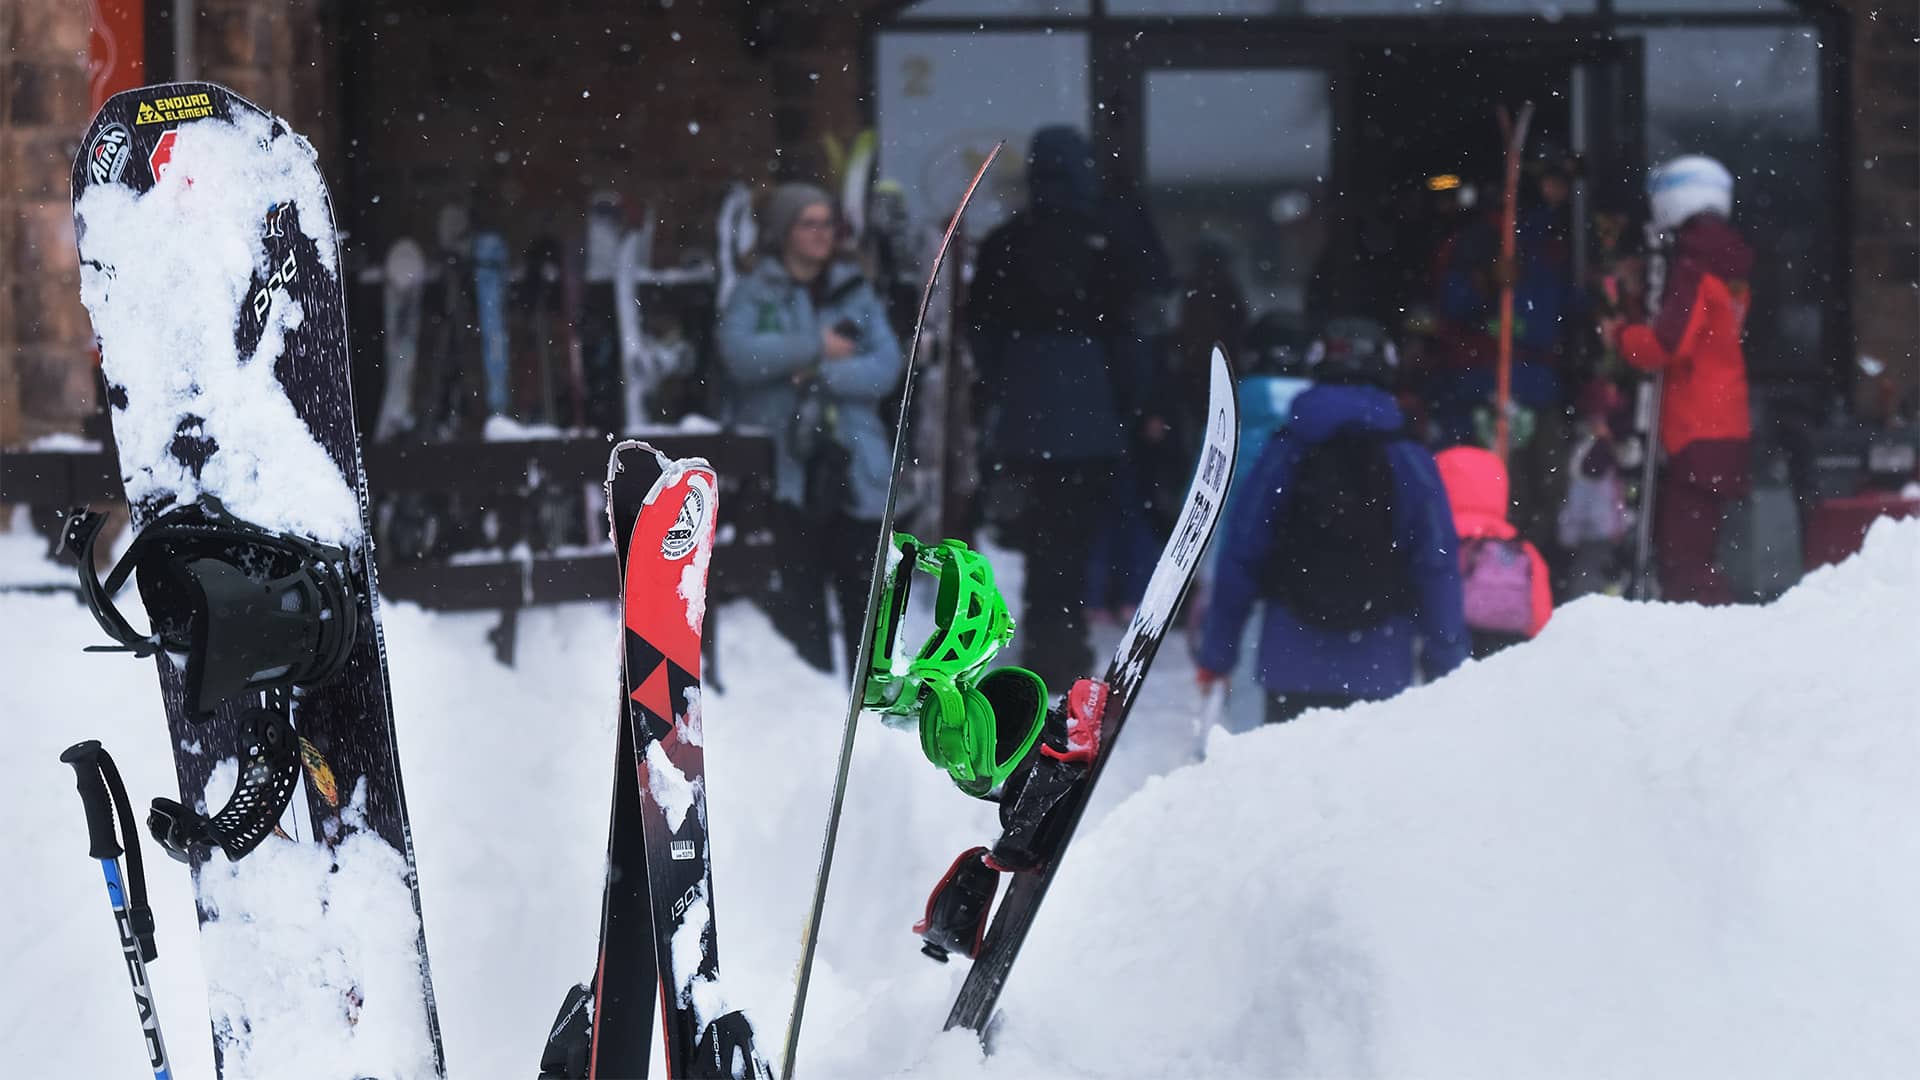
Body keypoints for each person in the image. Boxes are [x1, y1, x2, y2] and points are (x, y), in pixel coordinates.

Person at [1195, 318, 1469, 725]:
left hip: (1290, 662)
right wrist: (1447, 664)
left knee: (1292, 784)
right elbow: (1436, 565)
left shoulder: (1286, 450)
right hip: (1381, 669)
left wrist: (1217, 654)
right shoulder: (1409, 457)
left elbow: (1242, 552)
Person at [967, 125, 1155, 691]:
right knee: (1073, 540)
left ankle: (1041, 642)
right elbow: (1128, 336)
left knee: (1036, 537)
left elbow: (982, 333)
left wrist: (1004, 389)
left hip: (1025, 416)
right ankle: (1064, 644)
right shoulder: (1105, 241)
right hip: (1090, 412)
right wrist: (1128, 405)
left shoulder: (1005, 242)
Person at [715, 182, 904, 673]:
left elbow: (886, 366)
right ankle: (816, 720)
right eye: (809, 223)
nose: (822, 234)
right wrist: (812, 346)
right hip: (786, 471)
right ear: (783, 231)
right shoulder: (758, 292)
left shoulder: (853, 288)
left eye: (828, 223)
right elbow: (738, 354)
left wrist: (822, 376)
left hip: (854, 468)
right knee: (799, 608)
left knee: (866, 609)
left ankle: (872, 726)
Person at [1601, 155, 1752, 605]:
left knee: (1685, 561)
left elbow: (1667, 344)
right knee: (1695, 550)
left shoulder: (1694, 266)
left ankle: (1713, 645)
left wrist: (1621, 335)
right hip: (1723, 421)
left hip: (1695, 428)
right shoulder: (1730, 262)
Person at [1434, 446, 1553, 658]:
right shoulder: (1519, 546)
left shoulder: (1441, 537)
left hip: (1455, 640)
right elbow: (1540, 610)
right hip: (1507, 647)